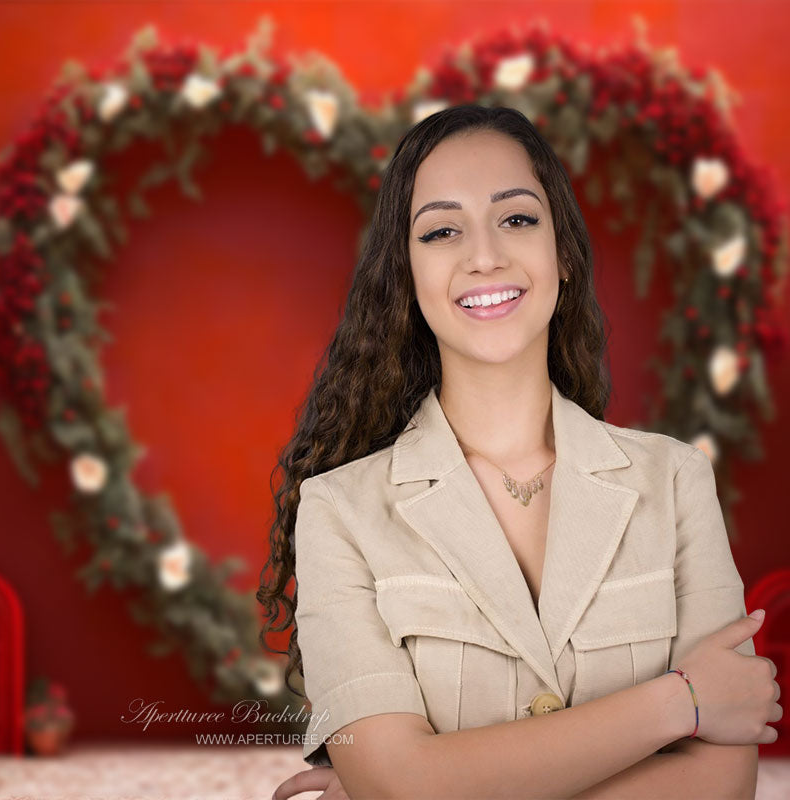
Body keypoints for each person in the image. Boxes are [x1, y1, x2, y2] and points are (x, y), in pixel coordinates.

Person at [259, 104, 781, 800]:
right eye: (442, 231)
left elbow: (722, 786)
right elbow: (399, 783)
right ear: (406, 277)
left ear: (561, 252)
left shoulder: (676, 481)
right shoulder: (338, 512)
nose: (484, 256)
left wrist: (424, 786)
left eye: (517, 218)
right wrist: (679, 702)